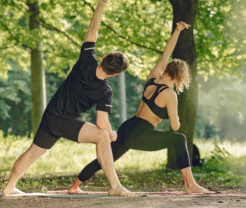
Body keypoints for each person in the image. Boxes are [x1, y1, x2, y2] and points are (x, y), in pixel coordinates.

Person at [2, 0, 135, 197]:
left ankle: (9, 187)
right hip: (63, 121)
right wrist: (111, 133)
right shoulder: (105, 91)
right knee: (102, 136)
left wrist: (102, 0)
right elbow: (102, 123)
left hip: (51, 114)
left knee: (33, 152)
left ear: (103, 58)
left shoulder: (86, 59)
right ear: (115, 74)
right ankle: (115, 186)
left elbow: (93, 28)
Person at [69, 21, 210, 194]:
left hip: (128, 126)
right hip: (141, 133)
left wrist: (178, 31)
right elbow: (174, 127)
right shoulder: (170, 95)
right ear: (180, 77)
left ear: (166, 69)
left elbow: (166, 52)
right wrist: (177, 118)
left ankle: (75, 185)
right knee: (179, 138)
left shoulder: (154, 77)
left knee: (106, 158)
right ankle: (190, 185)